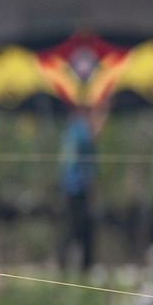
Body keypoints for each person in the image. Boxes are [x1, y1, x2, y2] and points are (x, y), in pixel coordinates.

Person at [58, 101, 108, 273]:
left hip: (78, 187)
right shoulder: (78, 129)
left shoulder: (74, 128)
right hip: (75, 188)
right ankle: (68, 266)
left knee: (84, 229)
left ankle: (83, 268)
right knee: (76, 228)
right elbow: (84, 146)